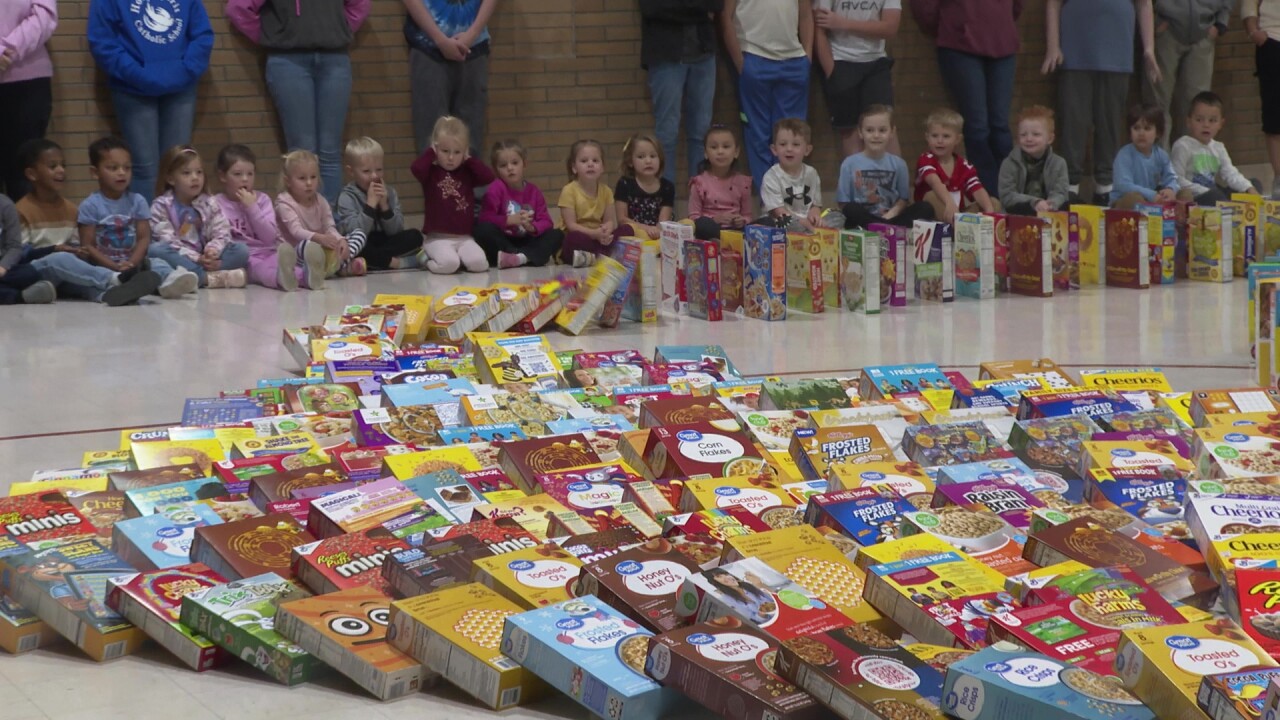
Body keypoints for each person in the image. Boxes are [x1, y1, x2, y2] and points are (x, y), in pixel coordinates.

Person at [226, 0, 370, 206]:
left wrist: (339, 29)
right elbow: (238, 8)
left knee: (330, 151)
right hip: (288, 62)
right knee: (302, 150)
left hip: (334, 59)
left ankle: (331, 222)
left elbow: (361, 4)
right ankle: (304, 222)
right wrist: (273, 36)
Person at [88, 0, 213, 202]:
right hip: (132, 88)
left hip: (180, 87)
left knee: (180, 165)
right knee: (144, 169)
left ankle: (179, 230)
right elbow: (102, 41)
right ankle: (148, 230)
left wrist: (186, 70)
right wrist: (138, 75)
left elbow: (202, 35)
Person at [17, 139, 161, 305]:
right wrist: (53, 249)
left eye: (63, 165)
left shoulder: (70, 208)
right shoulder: (21, 210)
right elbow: (20, 254)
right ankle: (116, 278)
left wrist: (79, 251)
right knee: (60, 259)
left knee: (84, 280)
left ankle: (110, 294)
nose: (61, 170)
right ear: (32, 174)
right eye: (53, 166)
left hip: (69, 271)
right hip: (37, 271)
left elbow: (77, 243)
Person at [1043, 0, 1160, 205]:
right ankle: (1070, 187)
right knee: (1074, 123)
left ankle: (1105, 188)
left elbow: (1144, 4)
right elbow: (1053, 3)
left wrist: (1148, 48)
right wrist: (1053, 46)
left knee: (1110, 125)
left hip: (1117, 53)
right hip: (1075, 53)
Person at [909, 0, 1022, 193]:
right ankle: (988, 195)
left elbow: (1017, 6)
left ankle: (1011, 192)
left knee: (1000, 125)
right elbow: (925, 8)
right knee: (977, 127)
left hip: (1002, 40)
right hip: (960, 43)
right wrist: (952, 23)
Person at [77, 136, 199, 299]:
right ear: (94, 172)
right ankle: (115, 289)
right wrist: (114, 266)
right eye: (113, 168)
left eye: (127, 168)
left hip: (134, 262)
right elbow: (88, 245)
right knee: (89, 273)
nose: (121, 173)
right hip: (104, 264)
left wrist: (132, 264)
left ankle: (170, 282)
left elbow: (144, 238)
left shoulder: (137, 201)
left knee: (157, 262)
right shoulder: (90, 205)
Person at [722, 0, 814, 190]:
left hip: (794, 60)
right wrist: (741, 63)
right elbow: (725, 16)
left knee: (793, 135)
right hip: (754, 56)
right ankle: (769, 202)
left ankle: (792, 197)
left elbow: (805, 15)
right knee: (759, 133)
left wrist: (807, 57)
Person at [215, 144, 324, 291]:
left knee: (281, 263)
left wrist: (252, 208)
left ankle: (308, 277)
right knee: (261, 270)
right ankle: (282, 280)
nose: (245, 179)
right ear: (223, 176)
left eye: (250, 174)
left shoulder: (262, 200)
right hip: (244, 258)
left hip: (268, 250)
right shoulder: (216, 204)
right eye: (238, 174)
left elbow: (269, 237)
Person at [640, 0, 721, 185]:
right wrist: (699, 10)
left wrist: (679, 7)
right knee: (667, 133)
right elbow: (652, 8)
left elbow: (717, 4)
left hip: (704, 54)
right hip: (665, 57)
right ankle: (666, 206)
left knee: (701, 132)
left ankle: (699, 202)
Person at [402, 0, 495, 155]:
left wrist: (472, 34)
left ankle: (468, 180)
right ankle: (436, 180)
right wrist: (439, 39)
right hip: (427, 48)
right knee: (430, 135)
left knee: (471, 137)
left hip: (473, 48)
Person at [149, 146, 249, 289]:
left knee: (241, 250)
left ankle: (204, 276)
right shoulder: (161, 206)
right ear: (171, 178)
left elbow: (222, 231)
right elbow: (168, 241)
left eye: (199, 172)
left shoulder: (209, 202)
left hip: (207, 258)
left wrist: (212, 252)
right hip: (182, 257)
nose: (195, 178)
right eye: (186, 173)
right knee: (155, 250)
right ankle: (207, 278)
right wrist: (196, 258)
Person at [813, 0, 902, 158]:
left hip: (875, 62)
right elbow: (820, 30)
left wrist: (843, 23)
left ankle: (895, 181)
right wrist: (831, 72)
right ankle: (857, 182)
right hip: (841, 62)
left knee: (885, 126)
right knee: (849, 130)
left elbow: (890, 28)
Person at [410, 115, 493, 274]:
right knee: (449, 264)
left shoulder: (467, 172)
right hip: (437, 238)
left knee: (480, 264)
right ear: (436, 149)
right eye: (445, 151)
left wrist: (469, 159)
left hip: (464, 238)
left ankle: (458, 258)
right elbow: (416, 169)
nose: (450, 157)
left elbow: (487, 176)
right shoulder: (431, 173)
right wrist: (431, 153)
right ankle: (426, 258)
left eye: (457, 152)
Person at [1144, 0, 1233, 147]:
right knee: (1158, 101)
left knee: (1198, 105)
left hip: (1204, 30)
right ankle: (1159, 163)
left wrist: (1220, 23)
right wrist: (1153, 20)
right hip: (1167, 28)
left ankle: (1191, 160)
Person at [336, 137, 424, 271]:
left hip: (385, 240)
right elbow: (354, 231)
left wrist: (385, 207)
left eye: (379, 170)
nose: (374, 176)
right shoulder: (347, 196)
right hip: (364, 240)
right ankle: (396, 263)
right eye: (366, 171)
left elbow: (396, 230)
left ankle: (375, 262)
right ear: (351, 172)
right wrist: (370, 205)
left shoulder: (390, 192)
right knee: (355, 246)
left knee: (415, 236)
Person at [276, 149, 367, 278]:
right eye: (302, 178)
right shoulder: (284, 203)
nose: (309, 183)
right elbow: (296, 231)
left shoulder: (321, 200)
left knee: (359, 234)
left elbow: (329, 227)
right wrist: (319, 238)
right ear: (288, 181)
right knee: (305, 245)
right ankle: (341, 267)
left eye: (313, 177)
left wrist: (340, 241)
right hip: (296, 252)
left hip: (321, 250)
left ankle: (332, 266)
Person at [837, 106, 933, 228]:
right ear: (860, 132)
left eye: (882, 130)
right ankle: (883, 228)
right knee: (851, 210)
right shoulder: (849, 163)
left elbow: (903, 200)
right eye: (870, 130)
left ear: (892, 132)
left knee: (925, 208)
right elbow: (843, 203)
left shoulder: (899, 164)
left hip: (891, 218)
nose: (876, 135)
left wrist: (890, 215)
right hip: (863, 218)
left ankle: (883, 227)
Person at [475, 139, 563, 268]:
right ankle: (522, 256)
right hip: (504, 240)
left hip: (527, 240)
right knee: (482, 230)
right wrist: (508, 220)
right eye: (503, 165)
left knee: (557, 234)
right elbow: (485, 218)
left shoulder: (534, 191)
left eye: (515, 163)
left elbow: (546, 221)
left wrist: (533, 227)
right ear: (496, 170)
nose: (510, 168)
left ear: (524, 164)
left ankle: (520, 258)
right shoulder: (496, 188)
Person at [0, 0, 56, 200]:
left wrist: (6, 50)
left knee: (25, 172)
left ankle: (26, 231)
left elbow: (44, 15)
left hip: (27, 82)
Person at [1171, 92, 1259, 206]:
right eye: (1199, 120)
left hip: (1214, 192)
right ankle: (1231, 206)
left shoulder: (1218, 147)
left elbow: (1230, 173)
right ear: (1189, 122)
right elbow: (1177, 179)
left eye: (1212, 120)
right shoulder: (1183, 145)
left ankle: (1235, 206)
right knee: (1216, 196)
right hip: (1196, 196)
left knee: (1254, 184)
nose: (1206, 125)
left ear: (1221, 124)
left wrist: (1248, 187)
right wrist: (1206, 191)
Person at [914, 109, 998, 223]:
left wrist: (989, 211)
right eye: (934, 136)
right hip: (932, 215)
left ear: (957, 139)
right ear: (927, 138)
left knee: (992, 202)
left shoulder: (964, 165)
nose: (939, 141)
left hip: (958, 212)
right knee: (931, 196)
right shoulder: (925, 159)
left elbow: (977, 189)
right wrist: (949, 203)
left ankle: (964, 224)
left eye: (946, 136)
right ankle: (963, 226)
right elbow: (935, 182)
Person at [1111, 104, 1195, 209]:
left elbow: (1172, 178)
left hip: (1154, 201)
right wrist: (1152, 195)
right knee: (1134, 199)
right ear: (1129, 132)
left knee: (1185, 194)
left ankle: (1177, 220)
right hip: (1124, 202)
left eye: (1147, 128)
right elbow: (1123, 185)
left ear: (1158, 133)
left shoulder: (1161, 155)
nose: (1141, 133)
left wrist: (1171, 189)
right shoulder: (1124, 154)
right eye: (1136, 128)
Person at [998, 105, 1070, 215]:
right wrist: (1034, 203)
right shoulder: (1009, 163)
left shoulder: (1059, 163)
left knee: (1072, 200)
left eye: (1036, 134)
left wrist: (1050, 205)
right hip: (1020, 213)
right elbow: (1007, 196)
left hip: (1050, 212)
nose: (1029, 139)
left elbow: (1061, 192)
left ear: (1050, 138)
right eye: (1023, 135)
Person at [558, 139, 617, 267]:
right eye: (584, 161)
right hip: (579, 238)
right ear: (574, 168)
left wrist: (606, 231)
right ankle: (600, 256)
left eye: (595, 161)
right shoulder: (569, 190)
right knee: (574, 238)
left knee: (627, 230)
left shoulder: (606, 191)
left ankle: (594, 256)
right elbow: (571, 225)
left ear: (602, 167)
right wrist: (594, 234)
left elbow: (609, 221)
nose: (590, 164)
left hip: (598, 238)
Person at [688, 125, 753, 240]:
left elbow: (747, 215)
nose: (720, 151)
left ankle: (733, 242)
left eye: (726, 146)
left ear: (736, 152)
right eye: (714, 147)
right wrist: (715, 220)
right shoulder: (699, 183)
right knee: (702, 224)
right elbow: (693, 218)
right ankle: (724, 243)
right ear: (706, 153)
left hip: (736, 231)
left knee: (766, 222)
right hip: (712, 231)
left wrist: (742, 220)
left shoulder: (743, 183)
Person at [760, 118, 823, 231]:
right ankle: (807, 232)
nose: (789, 149)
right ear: (774, 149)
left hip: (806, 221)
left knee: (837, 216)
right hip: (783, 221)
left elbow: (815, 205)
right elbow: (778, 211)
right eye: (783, 144)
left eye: (796, 144)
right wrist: (803, 223)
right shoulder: (771, 176)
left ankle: (811, 231)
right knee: (782, 223)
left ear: (807, 150)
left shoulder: (812, 173)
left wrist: (815, 216)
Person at [1245, 0, 1280, 198]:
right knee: (1274, 115)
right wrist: (1252, 30)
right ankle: (1279, 178)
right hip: (1272, 39)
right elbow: (1249, 3)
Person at [614, 133, 675, 240]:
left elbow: (663, 221)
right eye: (641, 157)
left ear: (660, 159)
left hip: (658, 233)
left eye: (653, 156)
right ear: (630, 161)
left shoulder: (667, 187)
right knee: (627, 230)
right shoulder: (624, 184)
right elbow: (622, 219)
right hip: (635, 232)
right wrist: (647, 229)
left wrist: (657, 230)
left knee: (687, 223)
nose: (648, 161)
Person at [0, 191, 55, 304]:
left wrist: (3, 267)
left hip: (3, 265)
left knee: (29, 273)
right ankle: (20, 296)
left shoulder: (5, 205)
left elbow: (14, 246)